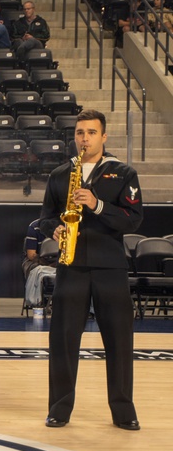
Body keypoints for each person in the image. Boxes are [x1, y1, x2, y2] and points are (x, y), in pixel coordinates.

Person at [40, 110, 143, 430]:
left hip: (110, 266)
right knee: (62, 340)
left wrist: (97, 205)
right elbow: (45, 217)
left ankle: (124, 412)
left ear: (104, 137)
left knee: (119, 342)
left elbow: (134, 219)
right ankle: (59, 408)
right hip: (71, 266)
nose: (84, 138)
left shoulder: (123, 172)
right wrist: (54, 229)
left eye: (91, 133)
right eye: (80, 133)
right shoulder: (60, 174)